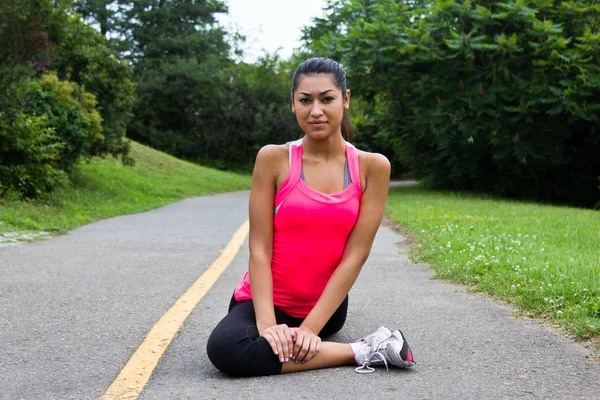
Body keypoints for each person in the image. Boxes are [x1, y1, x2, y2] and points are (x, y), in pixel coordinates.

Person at [206, 57, 415, 377]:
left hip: (325, 310)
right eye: (305, 100)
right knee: (226, 348)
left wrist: (310, 328)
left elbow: (355, 256)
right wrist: (267, 325)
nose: (315, 110)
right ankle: (364, 349)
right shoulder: (273, 159)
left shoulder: (373, 168)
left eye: (327, 98)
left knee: (245, 353)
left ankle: (336, 345)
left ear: (345, 99)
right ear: (293, 104)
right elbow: (259, 250)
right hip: (264, 301)